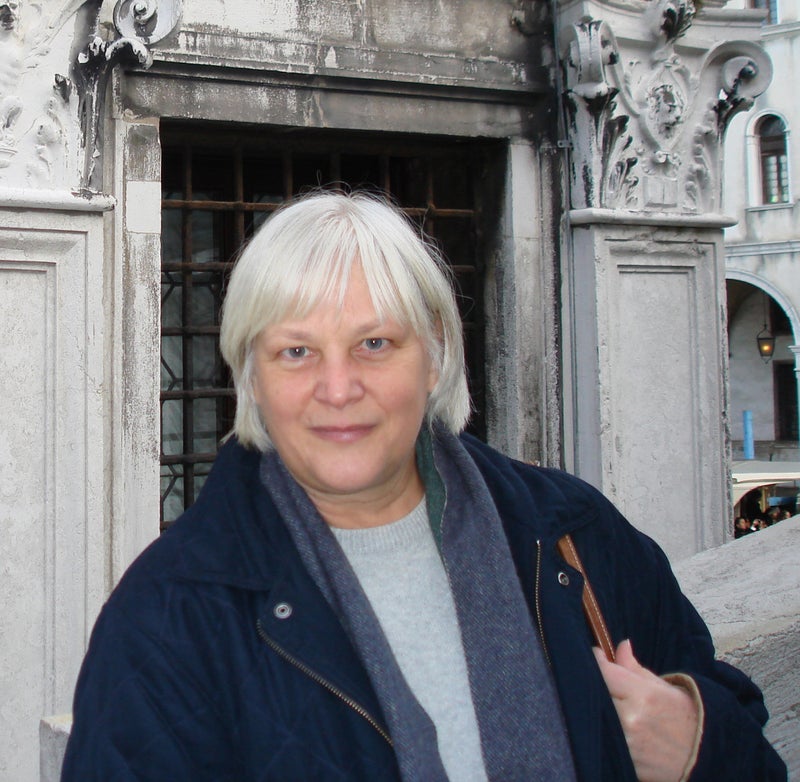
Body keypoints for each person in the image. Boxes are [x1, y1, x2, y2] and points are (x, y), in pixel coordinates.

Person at [61, 191, 786, 782]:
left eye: (374, 343)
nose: (337, 388)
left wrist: (695, 739)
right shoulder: (169, 614)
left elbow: (752, 749)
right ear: (251, 375)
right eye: (296, 351)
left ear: (434, 353)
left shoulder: (571, 534)